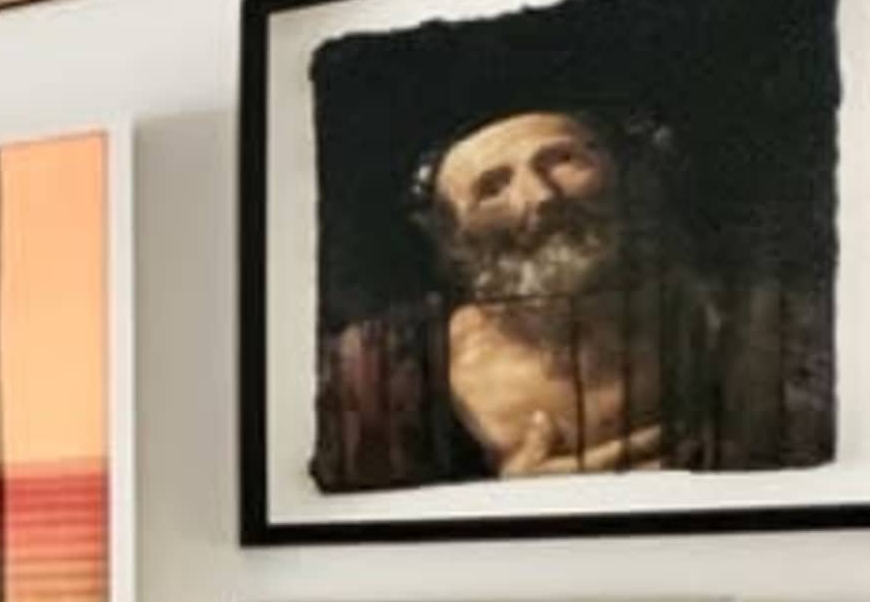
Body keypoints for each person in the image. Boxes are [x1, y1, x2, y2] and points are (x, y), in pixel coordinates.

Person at [312, 102, 831, 489]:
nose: (540, 198)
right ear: (453, 235)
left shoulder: (770, 321)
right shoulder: (376, 369)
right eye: (491, 187)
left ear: (625, 175)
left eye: (562, 159)